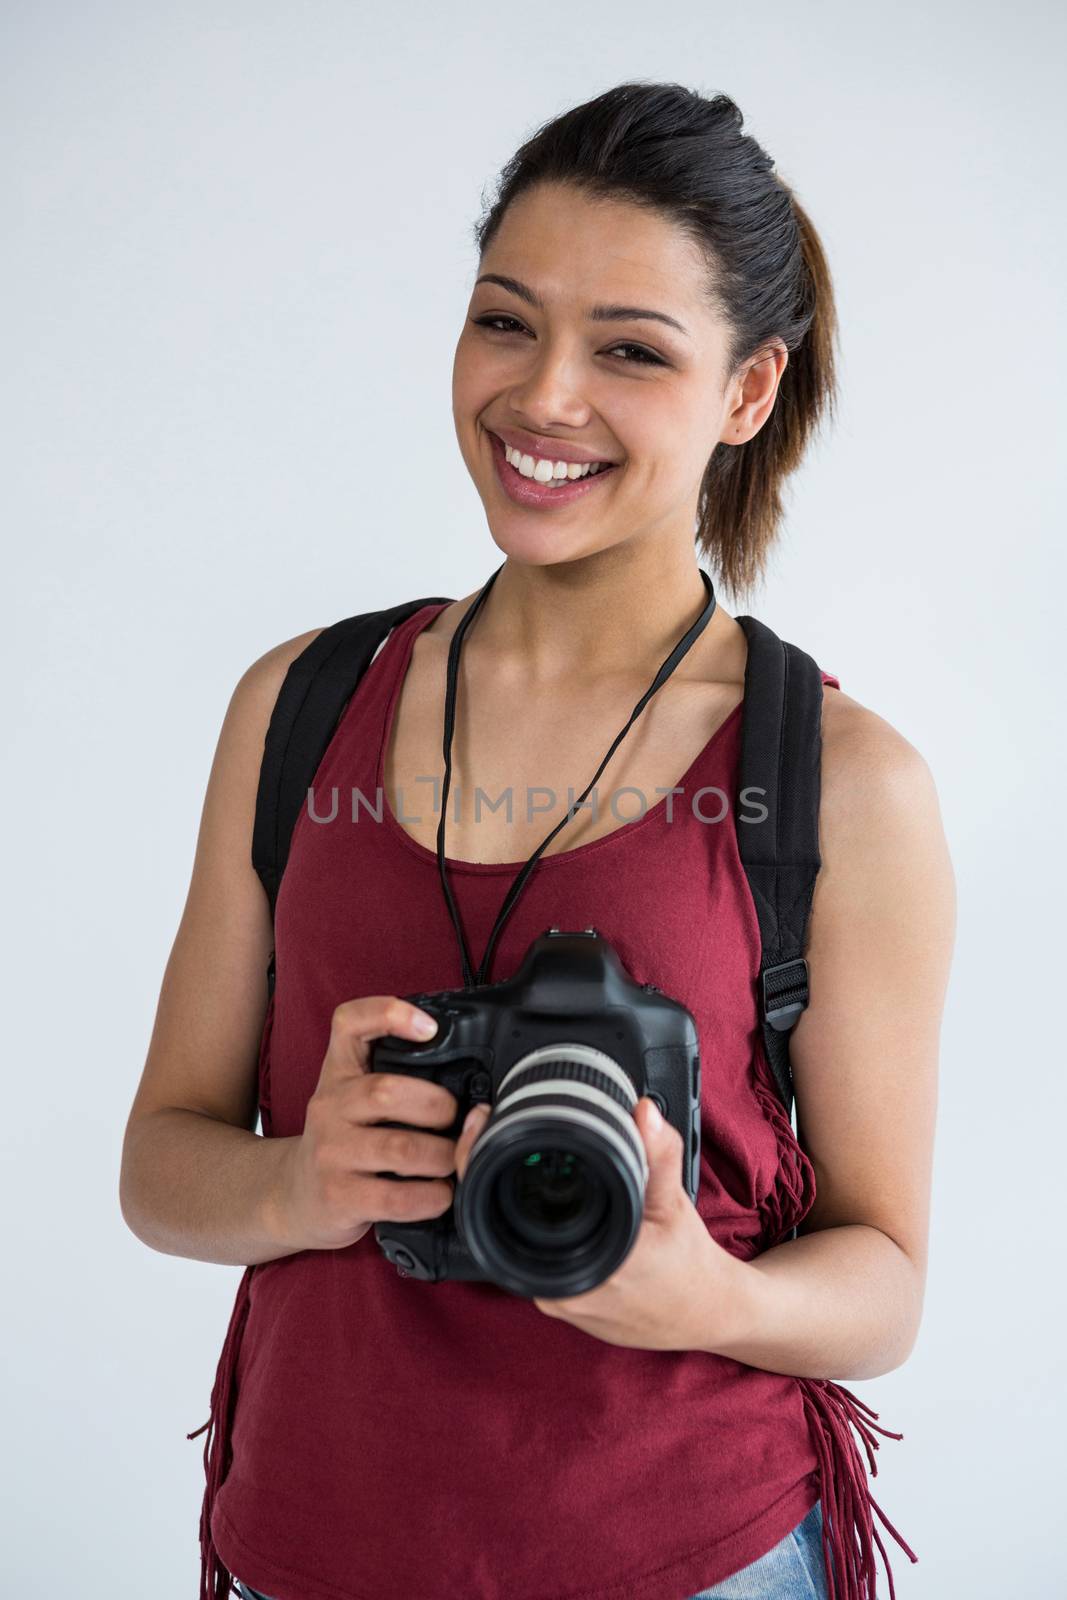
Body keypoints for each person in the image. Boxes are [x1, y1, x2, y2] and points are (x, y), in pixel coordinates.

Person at [119, 81, 955, 1600]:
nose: (544, 396)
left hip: (692, 1556)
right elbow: (160, 1161)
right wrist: (301, 1183)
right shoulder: (305, 705)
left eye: (631, 350)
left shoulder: (841, 781)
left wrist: (706, 1296)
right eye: (506, 322)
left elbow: (883, 1282)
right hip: (308, 1545)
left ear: (749, 390)